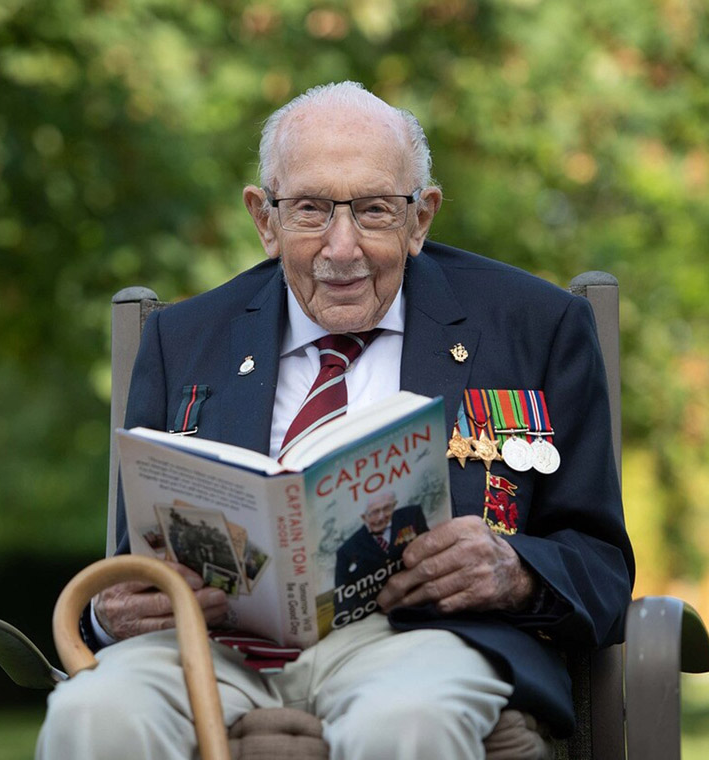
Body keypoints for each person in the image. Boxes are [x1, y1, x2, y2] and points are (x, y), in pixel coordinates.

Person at [36, 81, 633, 760]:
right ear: (265, 219)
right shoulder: (184, 339)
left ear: (421, 219)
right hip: (209, 651)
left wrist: (513, 568)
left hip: (422, 644)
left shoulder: (535, 325)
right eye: (311, 209)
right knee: (91, 711)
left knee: (407, 721)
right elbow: (134, 564)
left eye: (375, 210)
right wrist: (111, 613)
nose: (342, 247)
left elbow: (603, 568)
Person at [333, 493, 429, 620]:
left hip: (420, 604)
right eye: (374, 512)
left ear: (394, 505)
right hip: (371, 618)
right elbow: (342, 602)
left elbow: (429, 551)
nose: (381, 516)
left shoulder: (411, 515)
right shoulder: (347, 550)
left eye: (387, 508)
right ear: (364, 517)